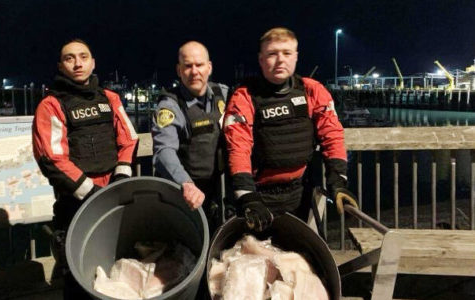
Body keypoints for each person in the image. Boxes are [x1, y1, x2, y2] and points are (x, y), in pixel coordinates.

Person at [223, 27, 358, 232]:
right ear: (261, 59)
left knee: (301, 259)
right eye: (272, 54)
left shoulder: (312, 90)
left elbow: (332, 135)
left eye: (286, 53)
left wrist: (338, 181)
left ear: (295, 57)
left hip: (301, 192)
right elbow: (238, 146)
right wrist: (247, 196)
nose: (280, 60)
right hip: (259, 195)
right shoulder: (244, 97)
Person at [32, 39, 138, 298]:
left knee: (119, 265)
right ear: (61, 65)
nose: (78, 63)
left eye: (83, 56)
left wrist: (121, 176)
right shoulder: (51, 105)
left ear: (93, 62)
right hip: (76, 203)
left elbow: (129, 138)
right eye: (70, 58)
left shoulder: (110, 98)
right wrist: (90, 193)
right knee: (78, 275)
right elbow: (51, 156)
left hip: (114, 195)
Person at [152, 41, 230, 230]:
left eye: (199, 65)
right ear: (179, 70)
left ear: (209, 67)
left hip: (219, 189)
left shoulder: (224, 94)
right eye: (188, 66)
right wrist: (186, 184)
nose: (195, 71)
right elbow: (164, 150)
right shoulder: (170, 106)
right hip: (184, 191)